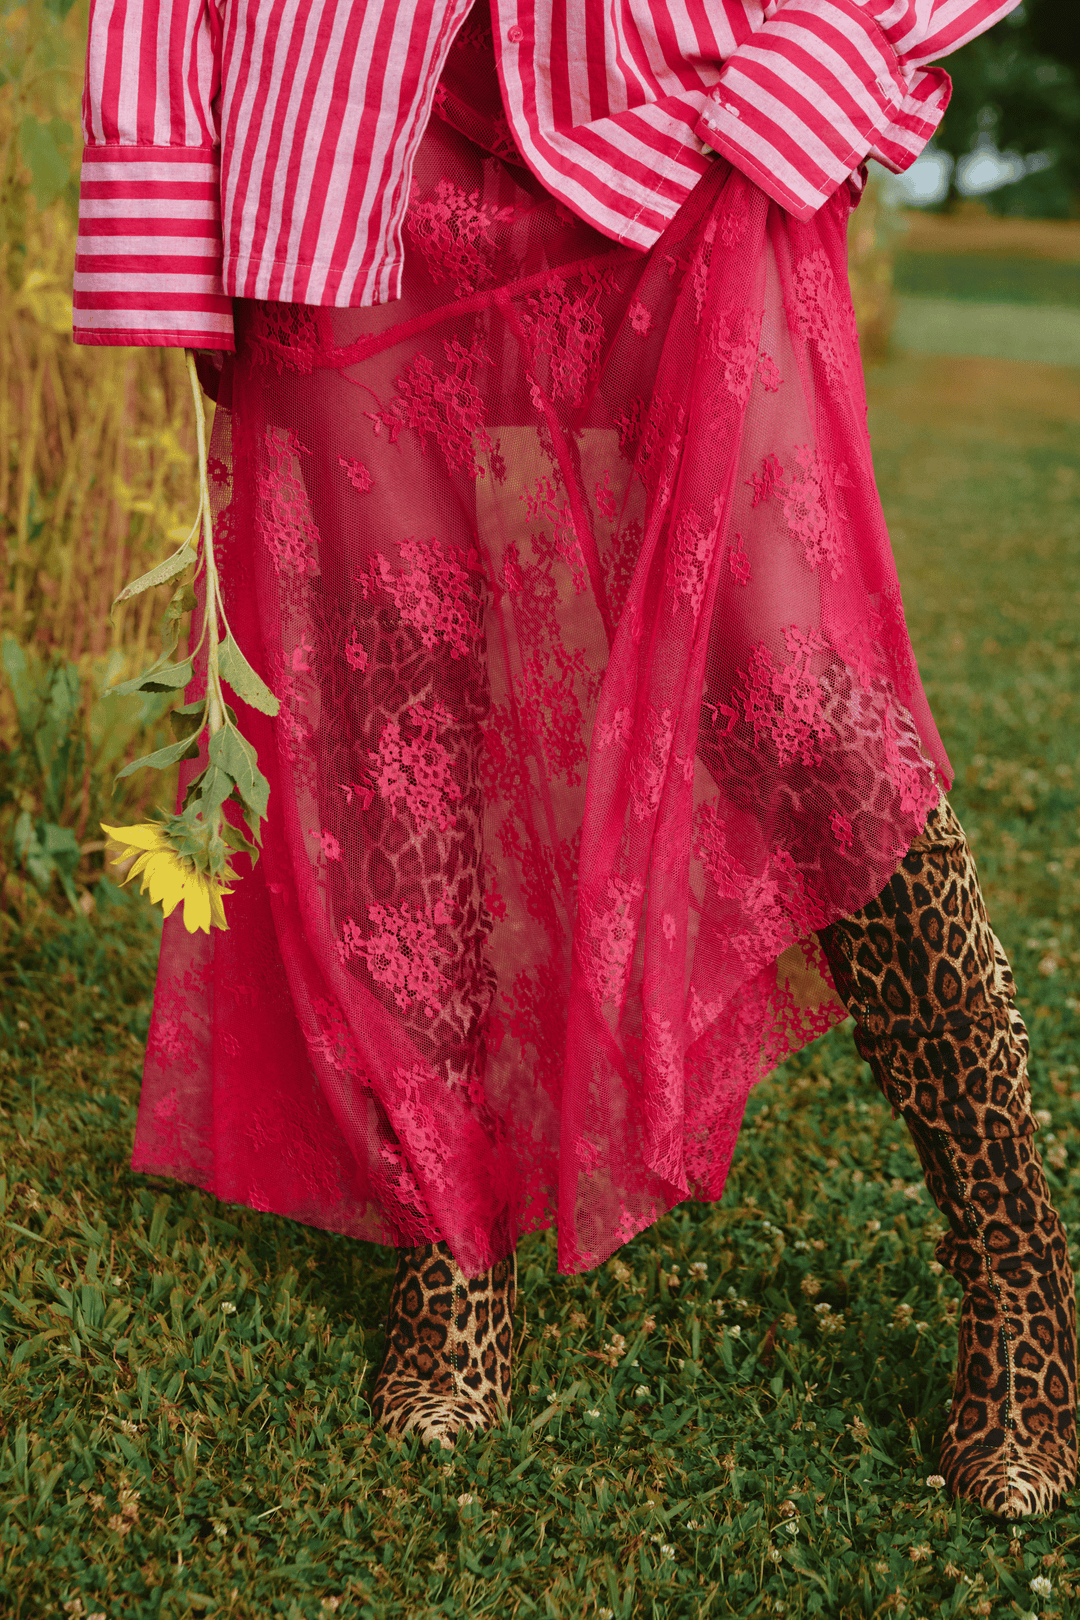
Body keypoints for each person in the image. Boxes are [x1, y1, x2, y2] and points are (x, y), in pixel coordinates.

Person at [75, 0, 1075, 1517]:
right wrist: (168, 188)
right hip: (343, 140)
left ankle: (1018, 1265)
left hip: (680, 117)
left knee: (807, 707)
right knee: (390, 725)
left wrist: (850, 37)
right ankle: (448, 1235)